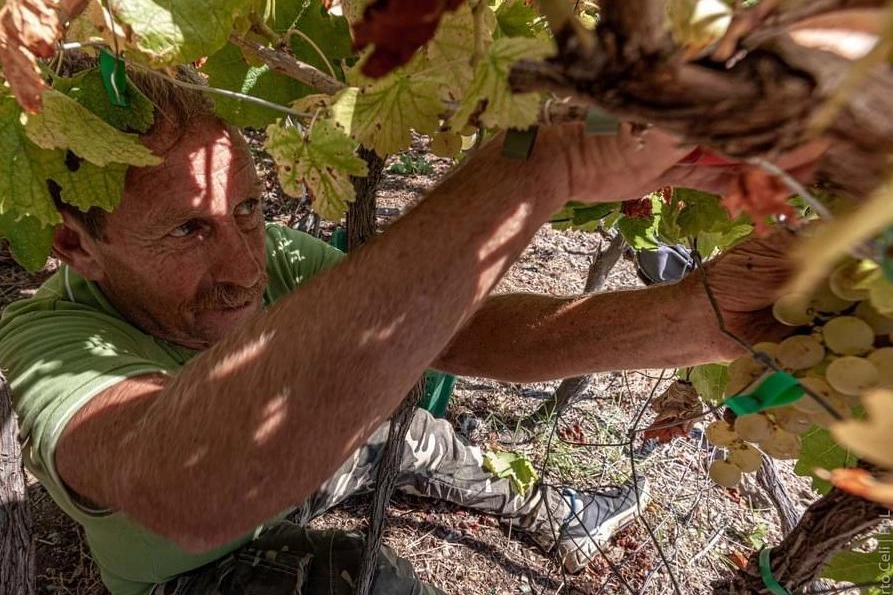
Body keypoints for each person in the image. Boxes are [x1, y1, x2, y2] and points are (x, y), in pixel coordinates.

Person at [0, 63, 801, 595]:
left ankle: (550, 509)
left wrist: (696, 318)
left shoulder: (270, 253)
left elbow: (452, 327)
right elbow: (189, 487)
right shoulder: (46, 341)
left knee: (410, 430)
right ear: (77, 246)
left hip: (299, 479)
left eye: (246, 207)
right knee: (362, 580)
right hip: (199, 567)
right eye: (186, 231)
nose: (246, 264)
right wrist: (534, 166)